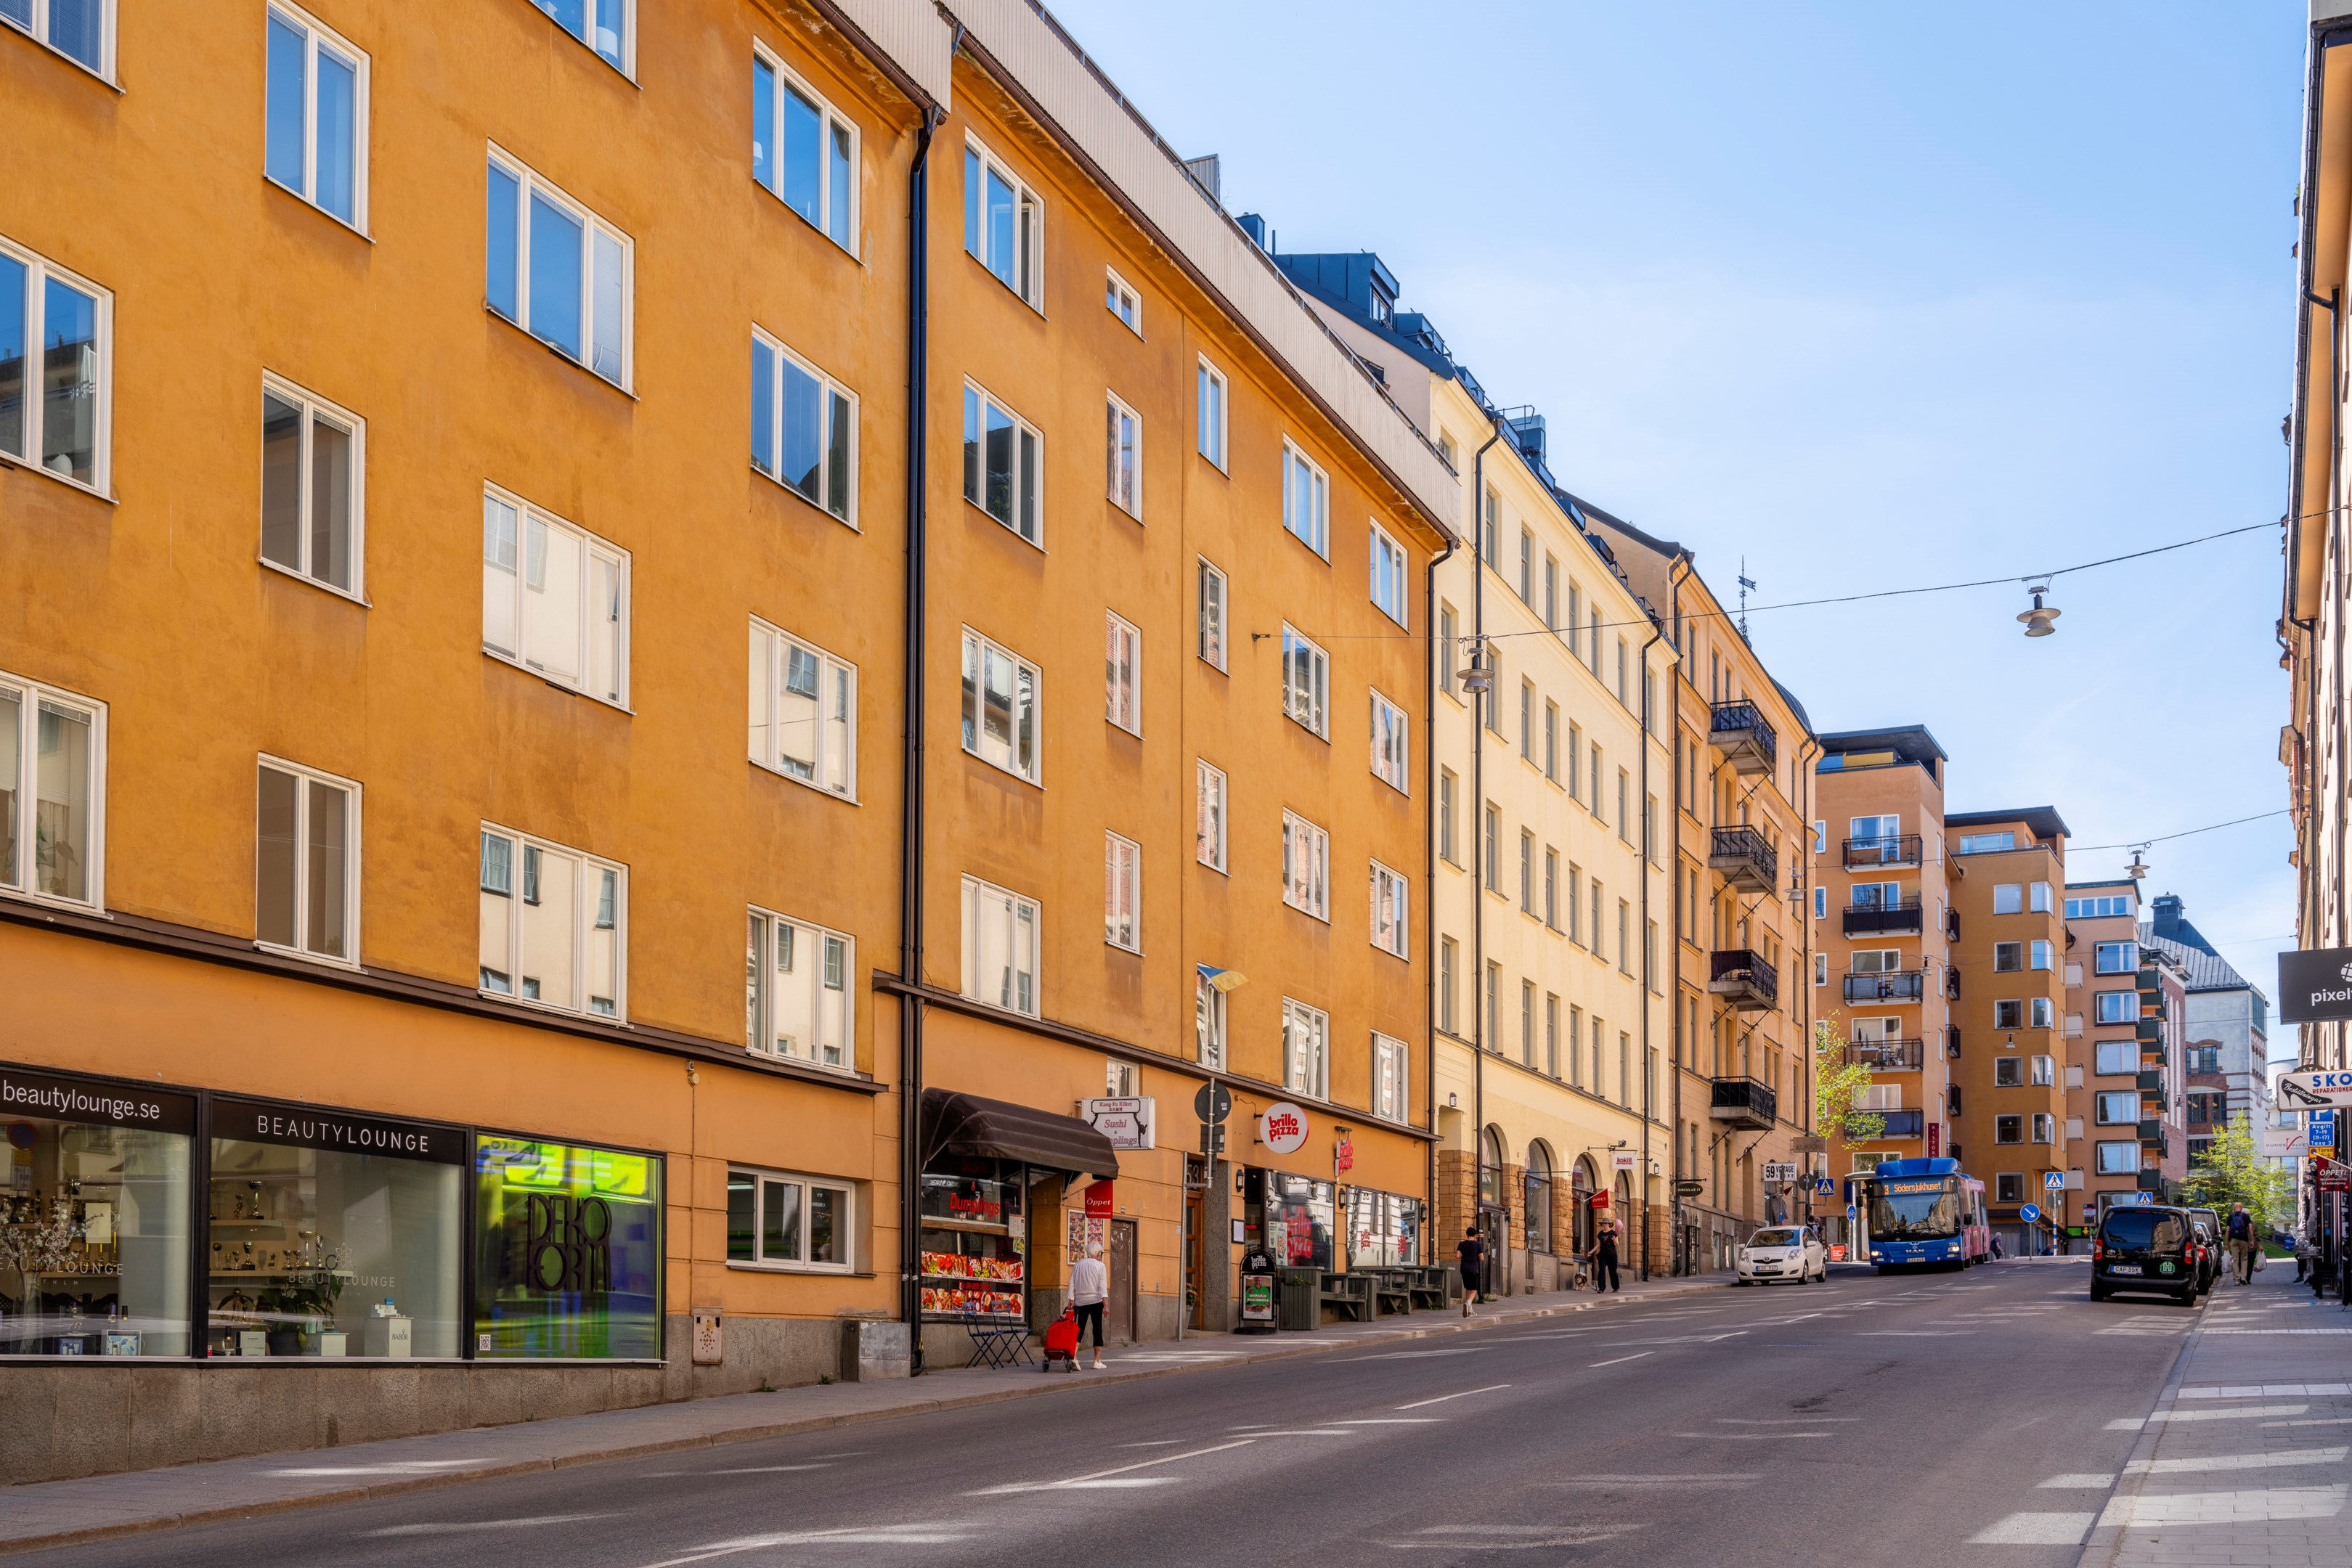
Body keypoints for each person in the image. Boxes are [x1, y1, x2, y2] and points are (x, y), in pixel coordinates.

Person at [1070, 1241, 1109, 1370]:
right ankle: (1097, 1361)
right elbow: (1102, 1288)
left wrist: (1071, 1299)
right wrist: (1106, 1305)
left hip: (1080, 1302)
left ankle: (1074, 1356)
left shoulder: (1078, 1265)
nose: (1101, 1255)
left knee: (1078, 1329)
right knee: (1097, 1329)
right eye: (1101, 1253)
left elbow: (1072, 1284)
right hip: (1096, 1301)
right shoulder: (1100, 1266)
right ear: (1098, 1253)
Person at [1586, 1217, 1621, 1294]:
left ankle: (1615, 1287)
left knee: (1613, 1272)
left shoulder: (1613, 1233)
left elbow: (1617, 1245)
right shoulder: (1600, 1234)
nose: (1604, 1225)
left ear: (1609, 1224)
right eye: (1603, 1223)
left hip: (1612, 1255)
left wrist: (1614, 1240)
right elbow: (1598, 1245)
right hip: (1602, 1255)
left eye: (1605, 1223)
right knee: (1601, 1271)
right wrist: (1591, 1252)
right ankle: (1601, 1288)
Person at [1457, 1225, 1486, 1312]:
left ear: (1467, 1234)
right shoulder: (1478, 1245)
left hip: (1464, 1269)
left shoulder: (1461, 1244)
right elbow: (1482, 1258)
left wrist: (1464, 1256)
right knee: (1474, 1289)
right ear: (1475, 1235)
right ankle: (1468, 1303)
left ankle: (1470, 1311)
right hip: (1473, 1269)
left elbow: (1457, 1256)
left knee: (1468, 1289)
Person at [2226, 1204, 2256, 1285]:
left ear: (2234, 1209)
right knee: (2244, 1258)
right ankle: (2243, 1277)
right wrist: (2252, 1240)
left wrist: (2226, 1243)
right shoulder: (2245, 1216)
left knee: (2235, 1260)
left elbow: (2228, 1230)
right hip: (2244, 1239)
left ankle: (2236, 1280)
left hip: (2234, 1240)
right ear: (2241, 1208)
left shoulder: (2230, 1217)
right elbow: (2250, 1227)